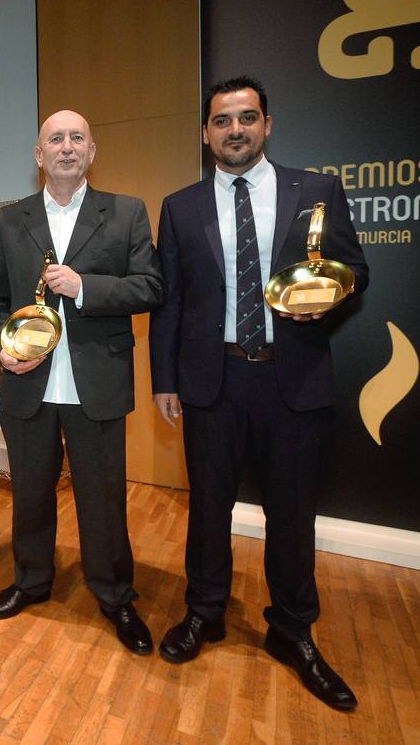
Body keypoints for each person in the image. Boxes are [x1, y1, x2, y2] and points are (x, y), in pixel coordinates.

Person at [149, 76, 368, 711]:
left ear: (268, 124)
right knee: (208, 511)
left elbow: (355, 270)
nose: (235, 130)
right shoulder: (181, 205)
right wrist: (165, 380)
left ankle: (294, 631)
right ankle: (205, 614)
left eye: (247, 118)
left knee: (293, 514)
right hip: (212, 381)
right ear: (206, 133)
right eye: (222, 121)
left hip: (290, 377)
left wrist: (321, 303)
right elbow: (170, 305)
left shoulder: (316, 191)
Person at [0, 110, 162, 654]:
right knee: (30, 495)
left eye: (76, 138)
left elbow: (150, 287)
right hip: (27, 386)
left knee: (102, 499)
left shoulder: (126, 212)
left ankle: (114, 595)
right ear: (38, 155)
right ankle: (32, 582)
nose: (65, 147)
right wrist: (1, 347)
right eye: (54, 139)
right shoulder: (11, 220)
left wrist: (85, 287)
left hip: (96, 384)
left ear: (91, 151)